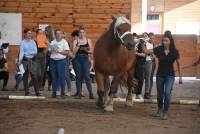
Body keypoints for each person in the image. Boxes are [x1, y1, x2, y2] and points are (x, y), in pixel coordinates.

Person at [146, 34, 182, 120]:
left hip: (170, 75)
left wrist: (180, 77)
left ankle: (165, 112)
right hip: (160, 75)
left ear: (170, 42)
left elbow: (178, 63)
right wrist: (142, 43)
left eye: (166, 41)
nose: (164, 42)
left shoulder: (174, 51)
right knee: (159, 94)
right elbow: (147, 51)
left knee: (167, 93)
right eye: (163, 40)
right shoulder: (159, 49)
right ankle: (159, 110)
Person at [72, 26, 94, 99]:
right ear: (78, 33)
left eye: (83, 32)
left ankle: (91, 94)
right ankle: (79, 93)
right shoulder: (76, 41)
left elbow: (91, 51)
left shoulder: (88, 40)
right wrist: (78, 46)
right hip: (77, 58)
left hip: (85, 58)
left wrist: (86, 50)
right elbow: (73, 52)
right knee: (78, 76)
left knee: (87, 77)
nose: (81, 34)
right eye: (80, 32)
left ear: (85, 33)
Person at [18, 28, 40, 96]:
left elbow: (35, 52)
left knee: (34, 77)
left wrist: (27, 53)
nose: (30, 34)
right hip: (25, 61)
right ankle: (26, 92)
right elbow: (21, 53)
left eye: (30, 33)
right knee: (25, 77)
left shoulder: (33, 42)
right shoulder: (22, 42)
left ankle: (37, 92)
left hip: (32, 61)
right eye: (28, 33)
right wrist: (19, 60)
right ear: (25, 34)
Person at [49, 29, 70, 98]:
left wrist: (59, 51)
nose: (58, 35)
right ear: (55, 35)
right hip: (53, 61)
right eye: (57, 33)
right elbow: (49, 51)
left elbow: (67, 53)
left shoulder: (64, 42)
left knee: (62, 77)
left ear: (62, 35)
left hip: (61, 61)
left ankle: (62, 93)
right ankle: (54, 92)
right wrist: (51, 49)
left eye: (59, 33)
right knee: (54, 77)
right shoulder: (52, 42)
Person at [143, 32, 153, 99]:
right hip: (141, 62)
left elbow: (148, 52)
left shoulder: (150, 44)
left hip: (148, 61)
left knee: (148, 78)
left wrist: (145, 51)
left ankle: (146, 92)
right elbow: (146, 52)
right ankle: (137, 92)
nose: (145, 37)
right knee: (140, 78)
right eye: (143, 36)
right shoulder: (139, 44)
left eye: (146, 36)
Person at [62, 31, 71, 96]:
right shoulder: (58, 42)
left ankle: (69, 90)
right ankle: (61, 90)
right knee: (60, 76)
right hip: (59, 60)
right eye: (62, 36)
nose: (63, 37)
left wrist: (69, 63)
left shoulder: (67, 43)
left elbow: (69, 54)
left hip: (65, 61)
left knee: (66, 76)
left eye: (64, 36)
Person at [148, 32, 156, 96]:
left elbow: (155, 55)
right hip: (145, 62)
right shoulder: (146, 44)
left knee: (150, 77)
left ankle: (149, 92)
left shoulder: (154, 45)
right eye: (151, 38)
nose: (152, 39)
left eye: (153, 38)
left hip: (152, 62)